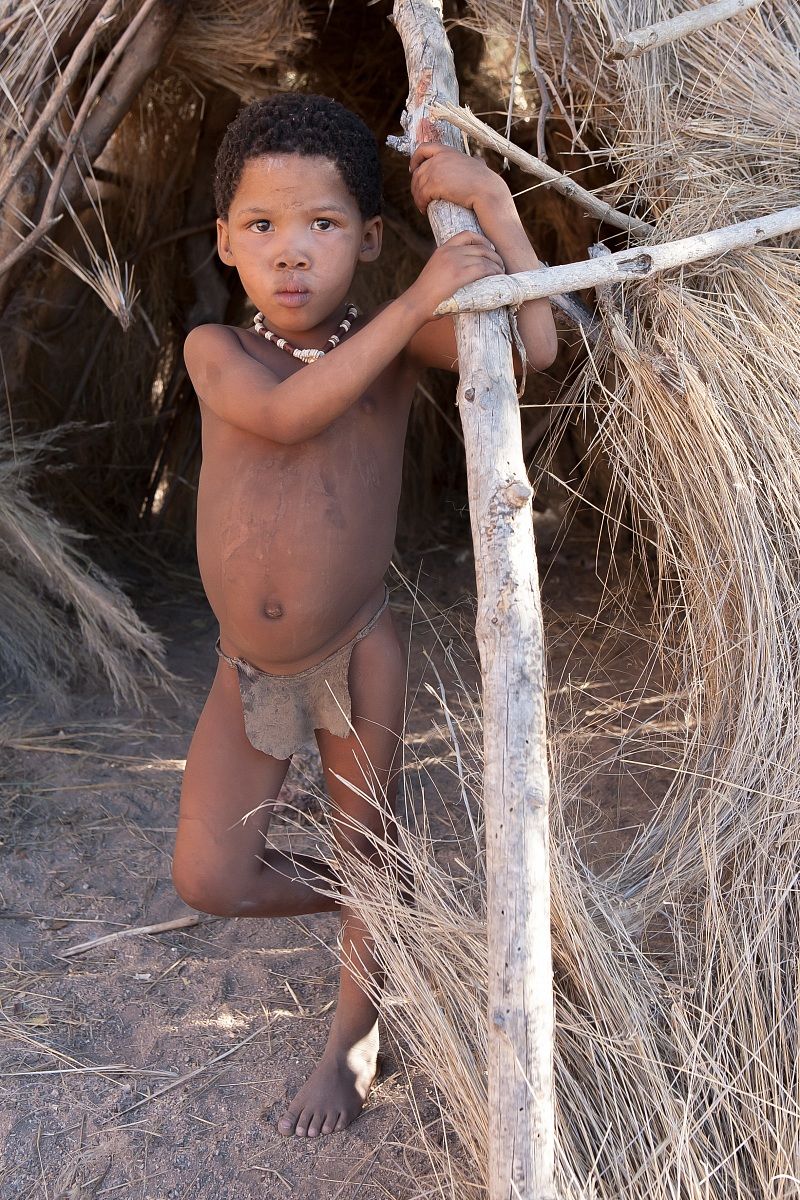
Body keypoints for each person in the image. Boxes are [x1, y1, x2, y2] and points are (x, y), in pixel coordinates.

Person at [172, 92, 558, 1140]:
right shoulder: (218, 351)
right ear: (225, 243)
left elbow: (530, 345)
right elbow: (291, 414)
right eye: (261, 227)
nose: (290, 253)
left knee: (367, 841)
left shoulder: (394, 346)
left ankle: (350, 1046)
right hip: (247, 663)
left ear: (372, 237)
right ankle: (379, 907)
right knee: (210, 874)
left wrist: (488, 203)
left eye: (323, 225)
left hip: (356, 651)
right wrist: (413, 299)